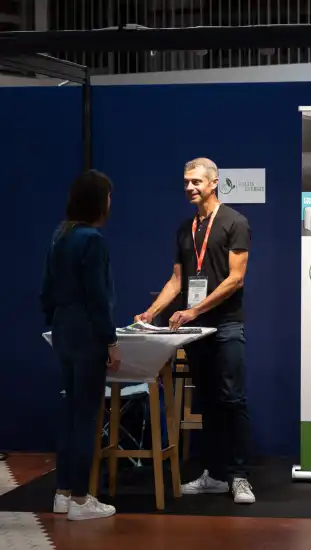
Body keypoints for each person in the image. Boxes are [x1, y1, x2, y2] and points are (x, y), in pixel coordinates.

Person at [134, 157, 255, 504]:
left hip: (227, 323)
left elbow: (236, 277)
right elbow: (177, 280)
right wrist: (151, 313)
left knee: (232, 398)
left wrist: (193, 310)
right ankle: (214, 474)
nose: (190, 187)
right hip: (196, 329)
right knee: (207, 402)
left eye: (197, 182)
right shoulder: (184, 229)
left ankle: (240, 476)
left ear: (214, 182)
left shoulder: (236, 222)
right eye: (186, 182)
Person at [40, 170, 120, 521]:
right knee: (87, 417)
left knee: (71, 413)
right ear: (99, 201)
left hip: (62, 329)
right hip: (88, 332)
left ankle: (62, 493)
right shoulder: (93, 240)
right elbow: (98, 298)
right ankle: (81, 499)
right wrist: (111, 340)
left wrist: (57, 322)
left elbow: (46, 290)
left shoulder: (60, 235)